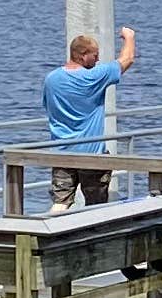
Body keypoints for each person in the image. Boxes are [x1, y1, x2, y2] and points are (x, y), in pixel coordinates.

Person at [43, 25, 135, 202]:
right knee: (96, 204)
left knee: (60, 202)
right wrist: (129, 37)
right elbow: (127, 59)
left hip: (61, 153)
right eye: (95, 54)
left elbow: (47, 107)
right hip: (91, 153)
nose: (98, 59)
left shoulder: (51, 78)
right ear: (83, 55)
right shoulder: (94, 77)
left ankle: (46, 228)